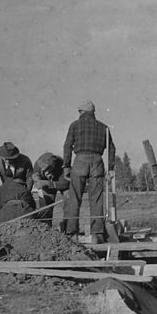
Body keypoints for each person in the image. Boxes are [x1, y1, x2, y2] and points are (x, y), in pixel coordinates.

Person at [62, 100, 116, 242]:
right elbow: (111, 148)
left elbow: (67, 146)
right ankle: (97, 234)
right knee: (97, 198)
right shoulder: (104, 127)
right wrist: (111, 168)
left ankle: (72, 234)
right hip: (97, 161)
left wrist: (66, 166)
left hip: (80, 160)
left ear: (81, 112)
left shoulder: (74, 125)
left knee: (74, 198)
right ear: (93, 113)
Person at [32, 152, 71, 228]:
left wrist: (48, 183)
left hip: (60, 182)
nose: (46, 172)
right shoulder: (37, 164)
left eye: (48, 169)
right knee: (45, 206)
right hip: (46, 185)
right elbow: (34, 175)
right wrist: (37, 180)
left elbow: (65, 183)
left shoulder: (62, 164)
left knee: (69, 198)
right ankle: (46, 228)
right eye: (44, 170)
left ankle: (68, 227)